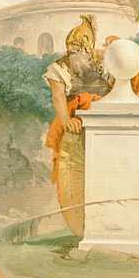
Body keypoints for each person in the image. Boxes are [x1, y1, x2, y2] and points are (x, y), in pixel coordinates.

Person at [42, 15, 114, 238]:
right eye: (71, 49)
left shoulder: (102, 60)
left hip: (106, 118)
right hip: (75, 119)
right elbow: (57, 98)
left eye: (78, 49)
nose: (74, 54)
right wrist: (66, 121)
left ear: (88, 48)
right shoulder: (58, 68)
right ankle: (80, 227)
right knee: (71, 172)